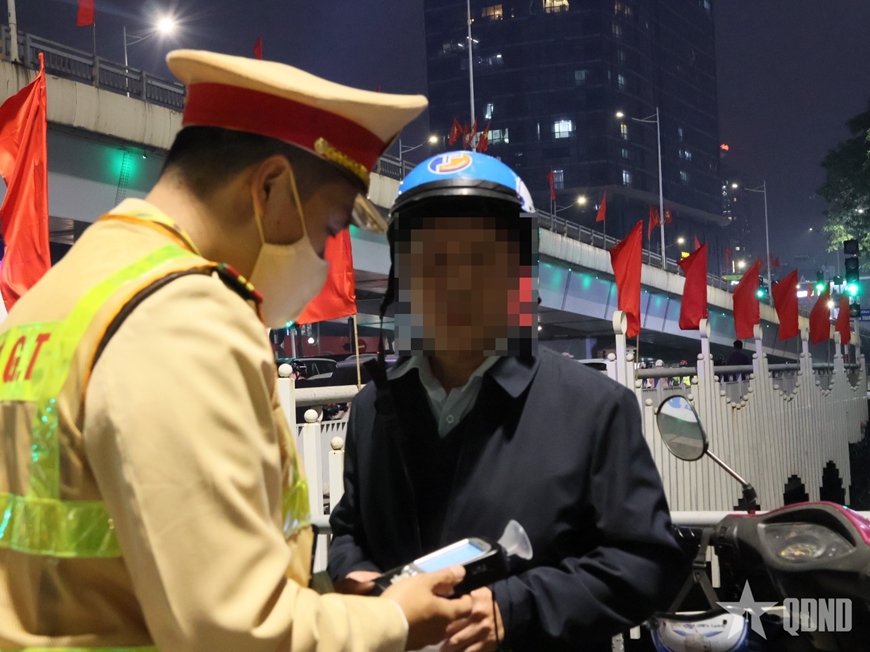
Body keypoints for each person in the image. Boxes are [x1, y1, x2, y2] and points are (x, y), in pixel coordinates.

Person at [0, 50, 473, 651]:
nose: (322, 259)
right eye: (328, 229)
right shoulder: (187, 320)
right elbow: (235, 630)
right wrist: (395, 620)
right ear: (270, 188)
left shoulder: (61, 293)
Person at [328, 153, 684, 651]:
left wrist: (513, 609)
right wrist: (357, 579)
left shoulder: (595, 409)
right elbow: (348, 532)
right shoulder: (373, 408)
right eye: (432, 261)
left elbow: (646, 562)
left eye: (479, 259)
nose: (454, 284)